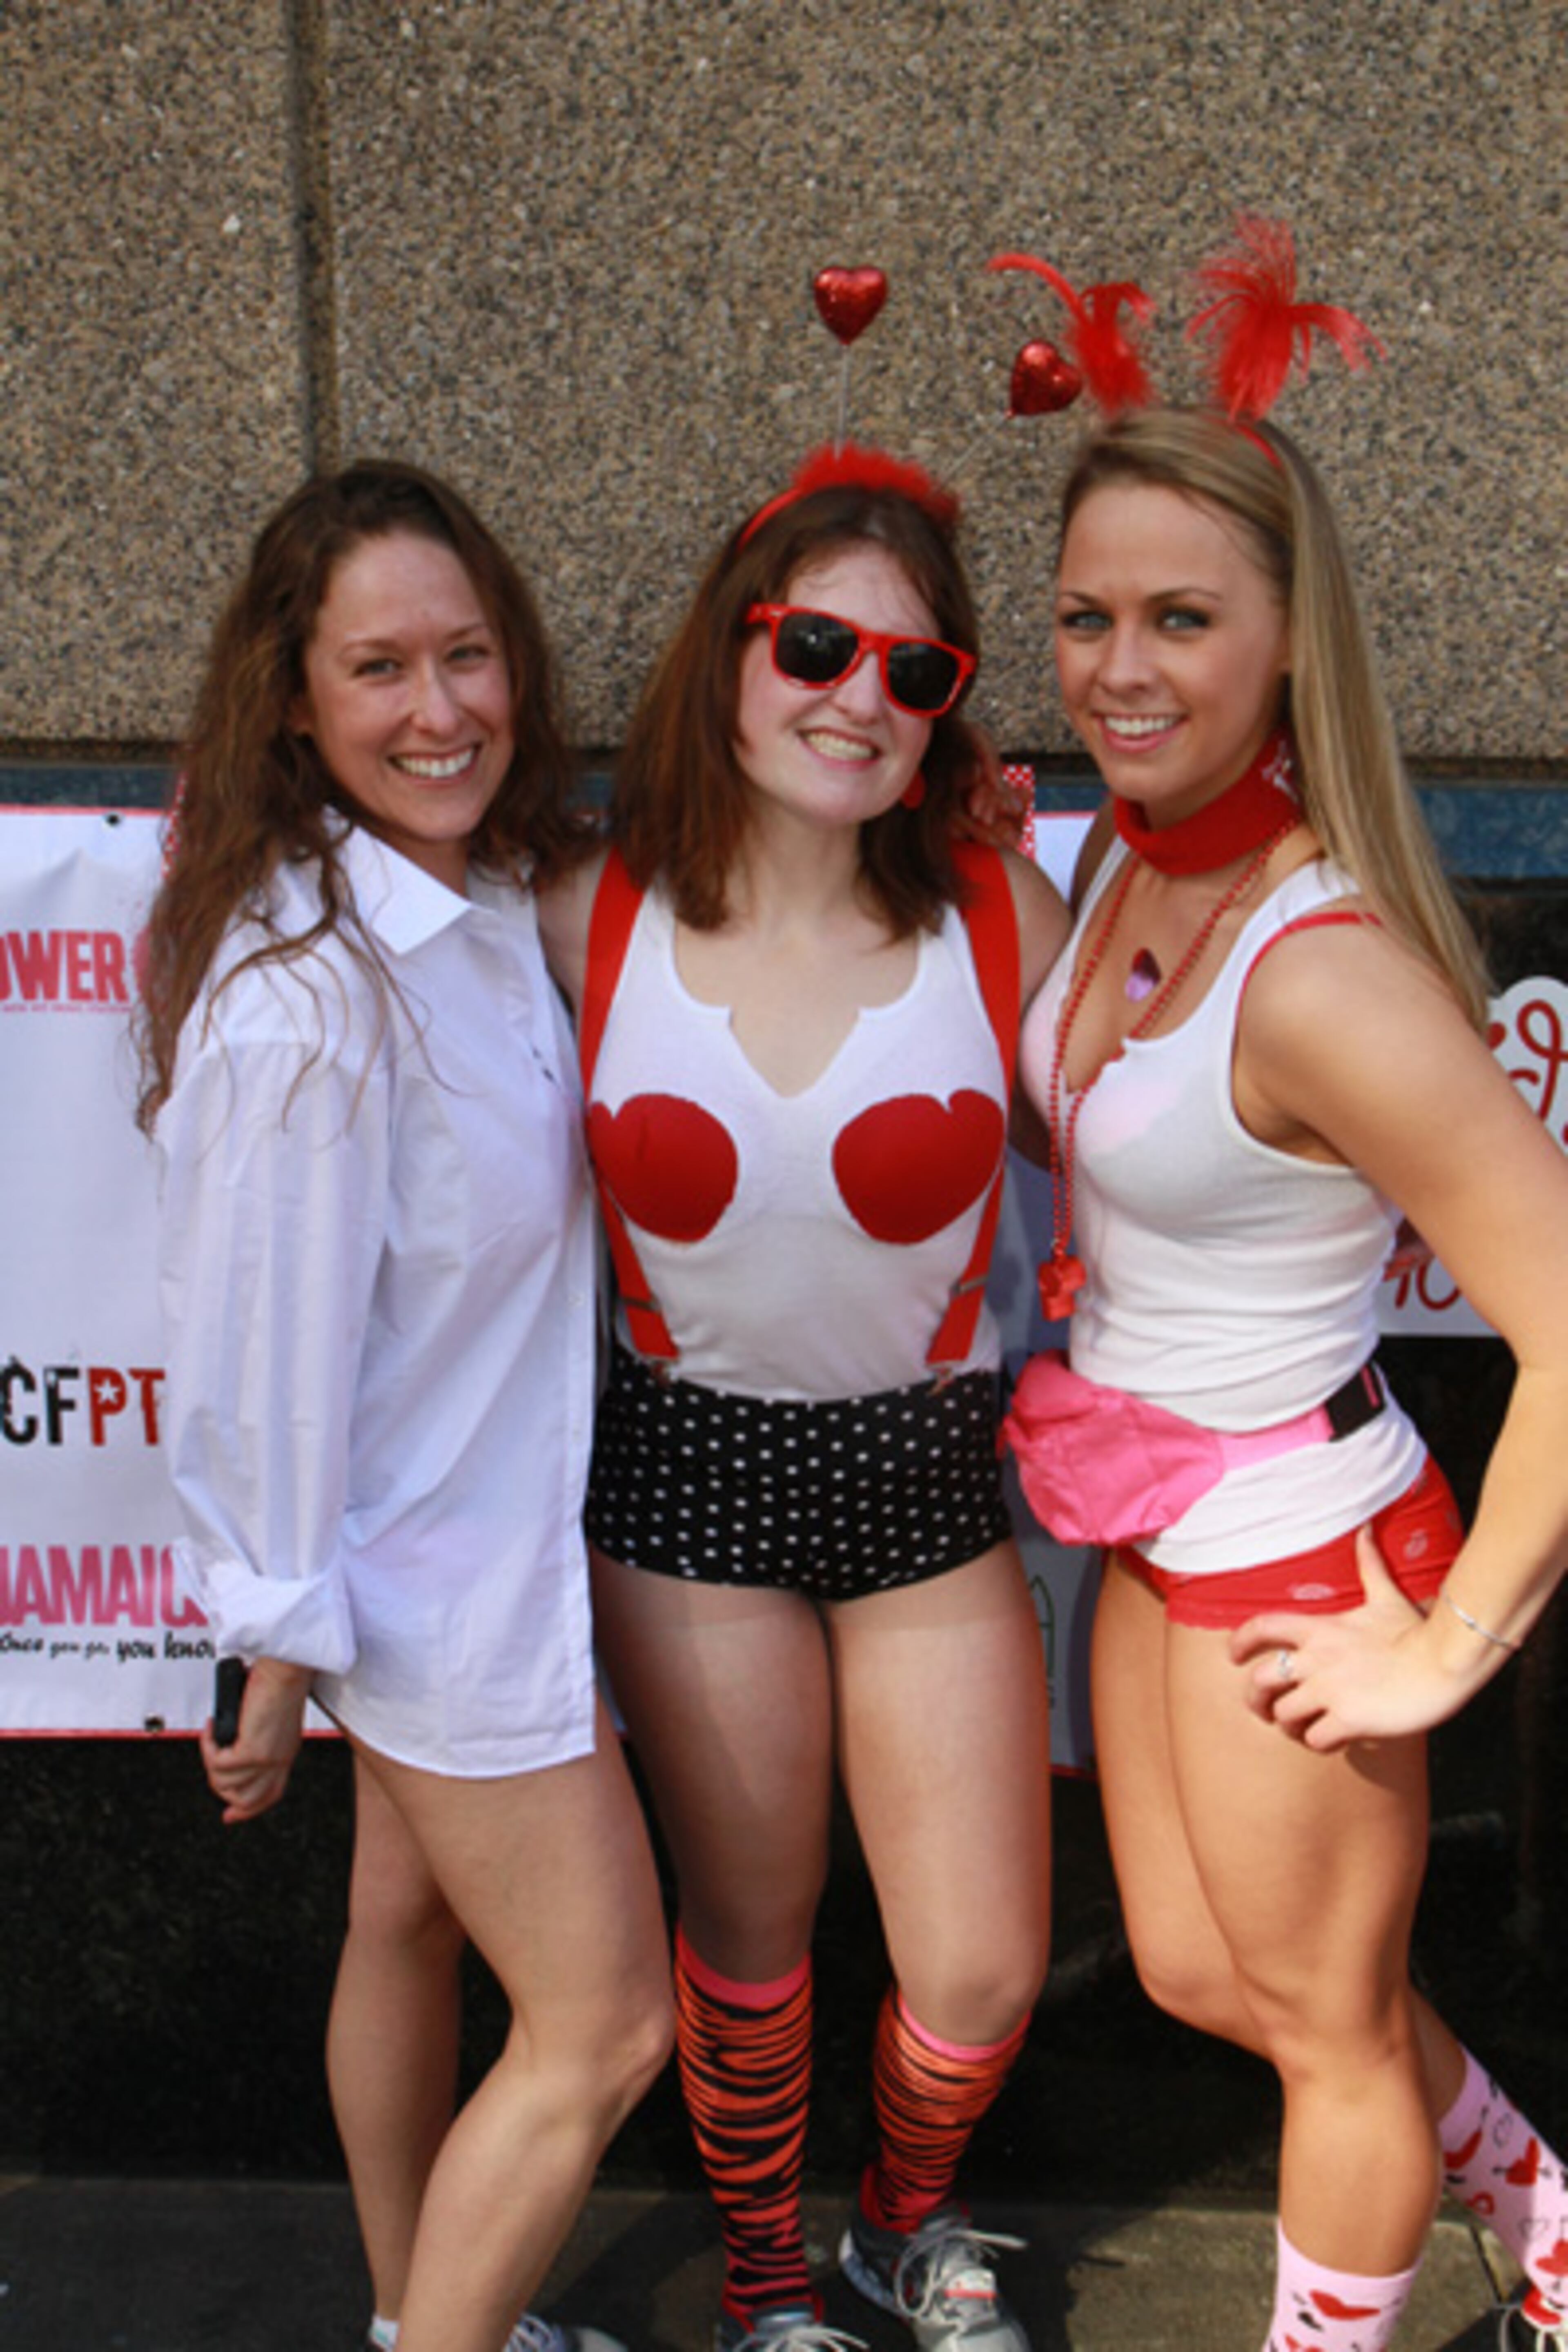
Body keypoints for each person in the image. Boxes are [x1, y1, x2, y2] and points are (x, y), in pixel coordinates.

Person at [1007, 403, 1568, 2352]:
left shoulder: (1322, 972)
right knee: (1195, 1974)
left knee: (1330, 2039)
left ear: (1287, 642)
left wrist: (1451, 1646)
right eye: (1086, 616)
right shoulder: (1127, 858)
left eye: (1181, 619)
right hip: (1152, 1512)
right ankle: (1552, 2220)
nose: (1121, 668)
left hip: (1297, 1544)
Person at [135, 461, 673, 2352]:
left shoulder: (488, 899)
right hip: (434, 1596)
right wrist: (277, 1635)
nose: (437, 710)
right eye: (379, 669)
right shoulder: (310, 995)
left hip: (480, 1540)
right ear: (295, 702)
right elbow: (253, 1358)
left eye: (466, 656)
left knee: (407, 1923)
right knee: (606, 2027)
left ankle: (414, 2311)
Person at [537, 445, 1068, 2352]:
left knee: (983, 1968)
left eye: (918, 672)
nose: (862, 698)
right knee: (751, 1945)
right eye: (820, 646)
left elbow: (1164, 1135)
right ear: (732, 650)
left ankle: (895, 2229)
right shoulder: (581, 912)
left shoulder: (1000, 917)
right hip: (687, 1489)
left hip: (923, 1487)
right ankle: (767, 2280)